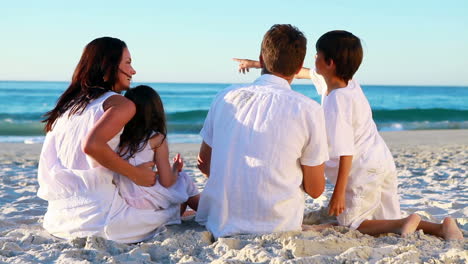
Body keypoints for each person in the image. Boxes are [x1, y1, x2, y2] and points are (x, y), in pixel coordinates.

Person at [234, 30, 463, 240]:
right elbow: (304, 73)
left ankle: (407, 221)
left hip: (362, 170)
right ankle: (441, 227)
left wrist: (339, 193)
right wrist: (256, 64)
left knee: (354, 223)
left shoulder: (337, 102)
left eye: (316, 55)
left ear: (329, 63)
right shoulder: (346, 82)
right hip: (380, 160)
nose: (313, 60)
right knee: (381, 220)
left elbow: (345, 152)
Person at [38, 37, 184, 243]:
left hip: (57, 219)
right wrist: (136, 175)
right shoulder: (120, 104)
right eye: (128, 63)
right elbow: (92, 146)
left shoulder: (67, 107)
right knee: (172, 209)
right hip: (101, 221)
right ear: (109, 65)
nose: (133, 71)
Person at [195, 24, 329, 239]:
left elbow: (204, 163)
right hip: (278, 224)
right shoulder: (309, 109)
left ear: (261, 59)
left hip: (220, 220)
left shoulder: (225, 97)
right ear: (299, 68)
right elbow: (315, 190)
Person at [114, 85, 200, 214]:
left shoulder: (118, 136)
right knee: (183, 179)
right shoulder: (156, 138)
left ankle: (185, 213)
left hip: (124, 200)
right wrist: (176, 168)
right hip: (144, 201)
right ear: (156, 110)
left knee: (177, 191)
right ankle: (206, 211)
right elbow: (167, 182)